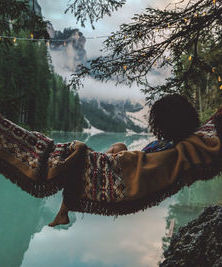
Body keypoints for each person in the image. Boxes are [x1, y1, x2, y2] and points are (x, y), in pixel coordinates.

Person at [49, 94, 199, 227]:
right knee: (116, 147)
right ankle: (96, 165)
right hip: (131, 167)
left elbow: (148, 165)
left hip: (128, 175)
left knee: (80, 161)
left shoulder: (171, 149)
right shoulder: (174, 144)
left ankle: (63, 212)